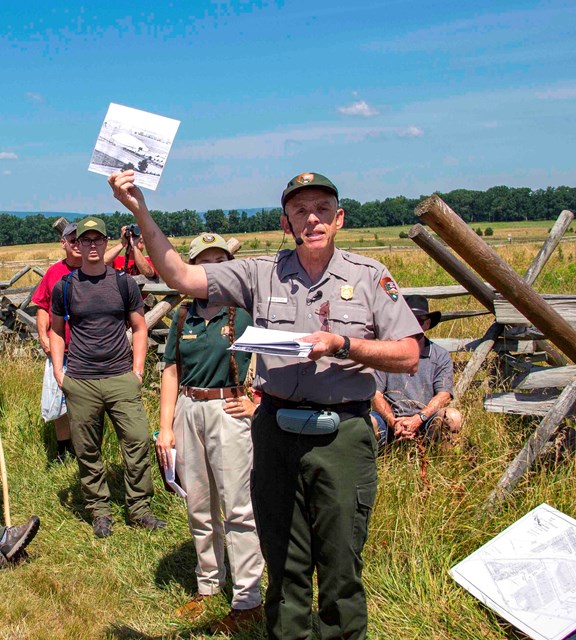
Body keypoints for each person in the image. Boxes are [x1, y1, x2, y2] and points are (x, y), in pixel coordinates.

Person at [108, 169, 421, 640]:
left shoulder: (370, 276)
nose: (310, 219)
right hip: (275, 434)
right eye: (299, 211)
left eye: (320, 210)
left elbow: (411, 354)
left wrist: (342, 345)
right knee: (284, 564)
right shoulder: (260, 273)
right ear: (285, 222)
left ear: (339, 219)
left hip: (343, 436)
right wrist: (140, 210)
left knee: (340, 566)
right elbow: (179, 274)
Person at [156, 233, 264, 624]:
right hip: (189, 407)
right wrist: (165, 426)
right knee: (198, 504)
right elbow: (171, 369)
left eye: (221, 259)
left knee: (238, 506)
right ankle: (207, 584)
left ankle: (248, 598)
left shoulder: (243, 311)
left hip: (229, 409)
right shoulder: (183, 316)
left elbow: (274, 359)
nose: (214, 266)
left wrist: (257, 402)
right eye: (206, 260)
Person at [49, 216, 164, 539]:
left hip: (120, 376)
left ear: (105, 241)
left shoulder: (123, 283)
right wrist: (60, 372)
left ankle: (139, 508)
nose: (93, 245)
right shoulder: (66, 286)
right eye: (86, 240)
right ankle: (99, 510)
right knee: (87, 448)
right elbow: (57, 332)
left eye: (98, 239)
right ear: (78, 245)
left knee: (138, 439)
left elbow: (140, 328)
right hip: (81, 379)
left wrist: (138, 370)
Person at [371, 295, 462, 448]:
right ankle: (372, 464)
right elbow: (375, 394)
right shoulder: (386, 352)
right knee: (366, 422)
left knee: (452, 417)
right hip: (391, 420)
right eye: (407, 320)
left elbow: (444, 395)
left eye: (418, 321)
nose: (412, 326)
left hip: (426, 419)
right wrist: (393, 421)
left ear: (427, 324)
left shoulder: (439, 355)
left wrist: (418, 419)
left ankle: (443, 462)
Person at [32, 223, 82, 462]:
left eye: (79, 239)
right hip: (59, 349)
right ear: (63, 243)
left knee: (85, 401)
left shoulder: (94, 268)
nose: (76, 244)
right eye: (71, 240)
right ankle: (63, 449)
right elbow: (42, 305)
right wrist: (43, 335)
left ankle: (84, 448)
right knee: (58, 401)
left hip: (86, 350)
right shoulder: (54, 272)